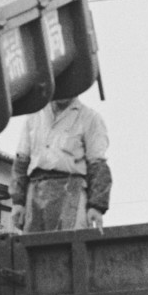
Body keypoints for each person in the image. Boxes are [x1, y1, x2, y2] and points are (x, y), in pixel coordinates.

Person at [11, 95, 111, 232]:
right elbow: (21, 161)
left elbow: (98, 164)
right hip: (35, 191)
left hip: (71, 191)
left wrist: (96, 206)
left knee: (71, 245)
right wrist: (18, 202)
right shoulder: (34, 116)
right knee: (33, 247)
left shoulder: (90, 118)